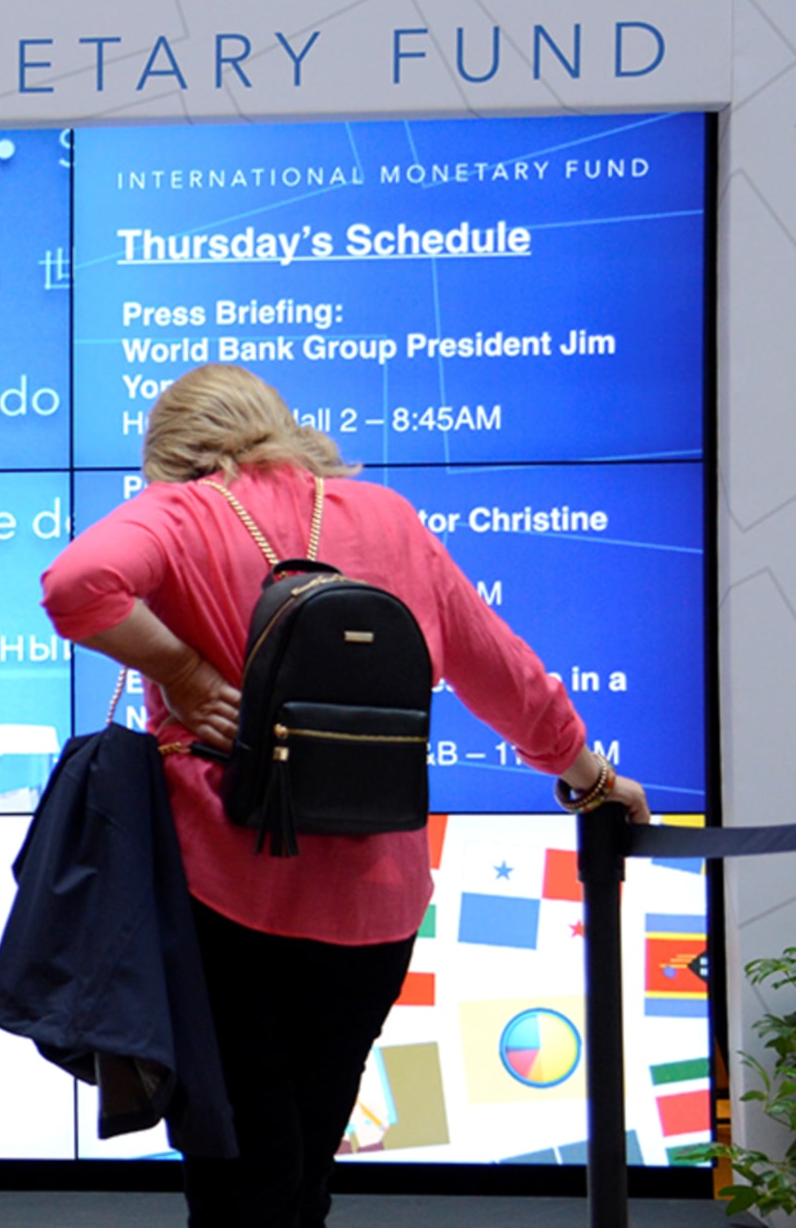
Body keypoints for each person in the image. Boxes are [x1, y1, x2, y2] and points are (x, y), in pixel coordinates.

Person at [39, 363, 650, 1228]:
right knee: (302, 1171)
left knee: (238, 1168)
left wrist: (177, 667)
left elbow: (73, 587)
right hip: (374, 902)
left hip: (225, 891)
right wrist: (586, 774)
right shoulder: (389, 518)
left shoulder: (182, 510)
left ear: (171, 455)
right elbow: (498, 667)